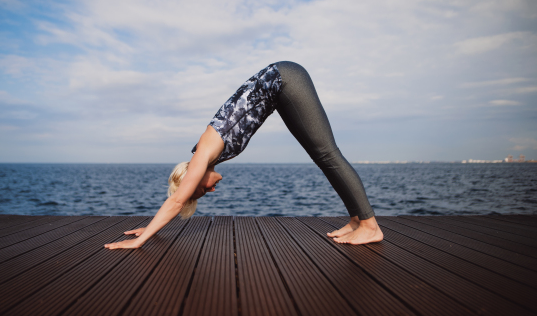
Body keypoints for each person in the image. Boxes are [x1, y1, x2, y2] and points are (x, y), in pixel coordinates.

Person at [105, 61, 383, 249]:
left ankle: (370, 227)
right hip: (281, 88)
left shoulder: (203, 153)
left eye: (202, 191)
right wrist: (152, 228)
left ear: (194, 176)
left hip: (285, 79)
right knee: (322, 157)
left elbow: (177, 200)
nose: (211, 190)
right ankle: (357, 220)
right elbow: (179, 198)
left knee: (327, 154)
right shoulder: (207, 154)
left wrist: (140, 240)